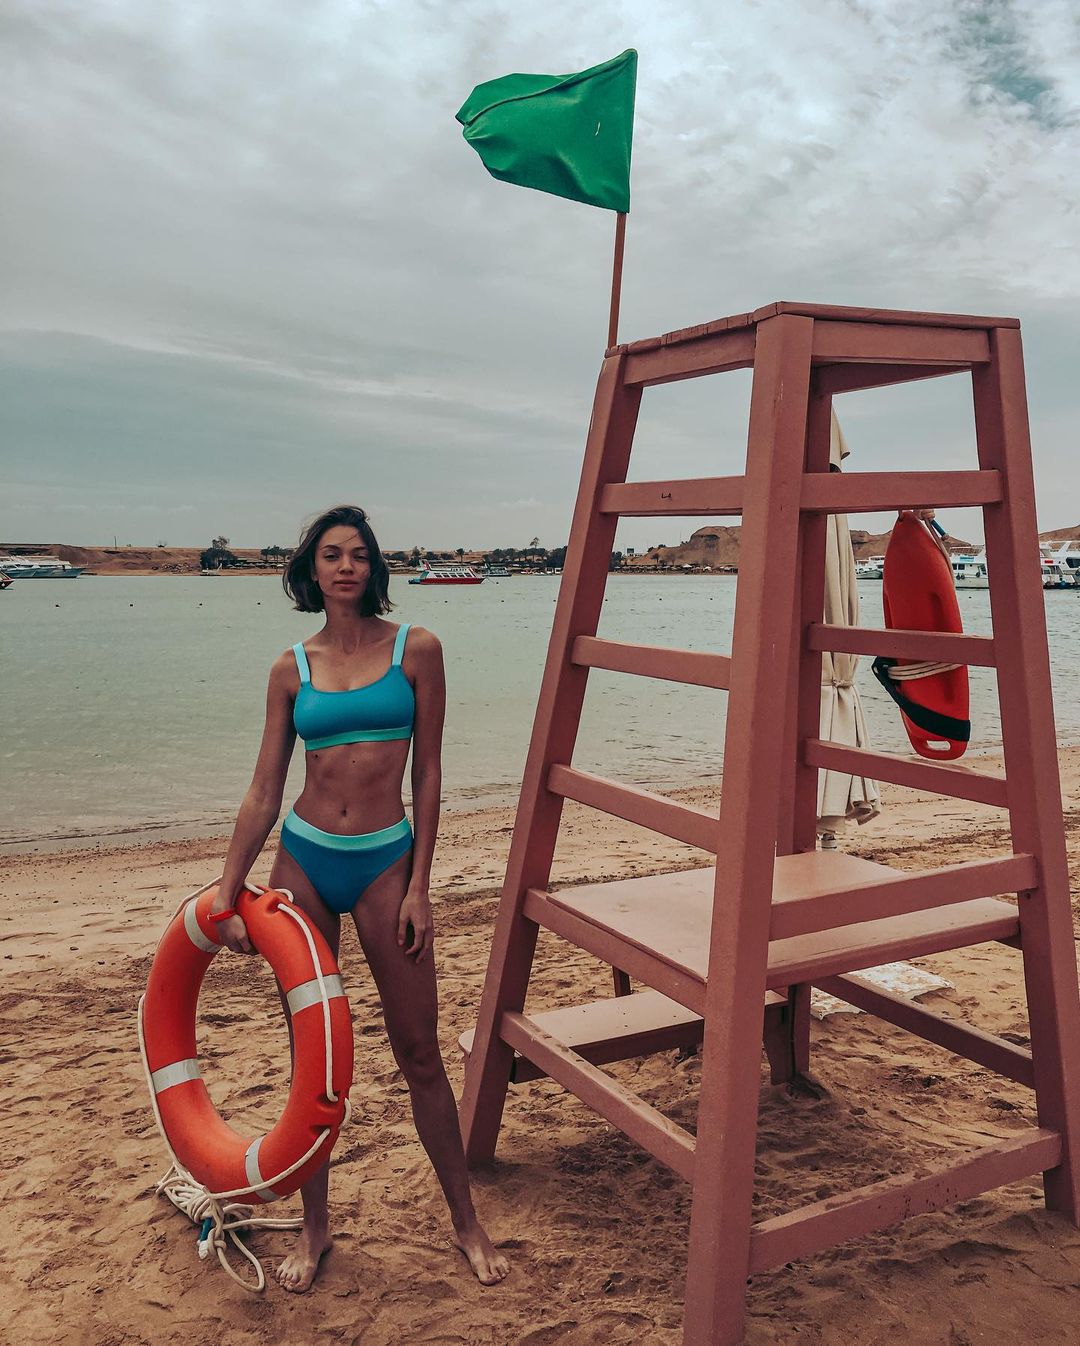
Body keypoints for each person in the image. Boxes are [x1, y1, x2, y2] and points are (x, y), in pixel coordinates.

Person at [209, 504, 510, 1293]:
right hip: (304, 861)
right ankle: (316, 1230)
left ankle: (466, 1222)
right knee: (314, 1061)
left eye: (359, 555)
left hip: (385, 865)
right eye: (331, 555)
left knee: (420, 1053)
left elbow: (430, 773)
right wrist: (227, 891)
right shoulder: (291, 668)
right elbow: (265, 788)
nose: (346, 566)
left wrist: (421, 886)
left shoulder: (418, 650)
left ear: (375, 567)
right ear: (312, 571)